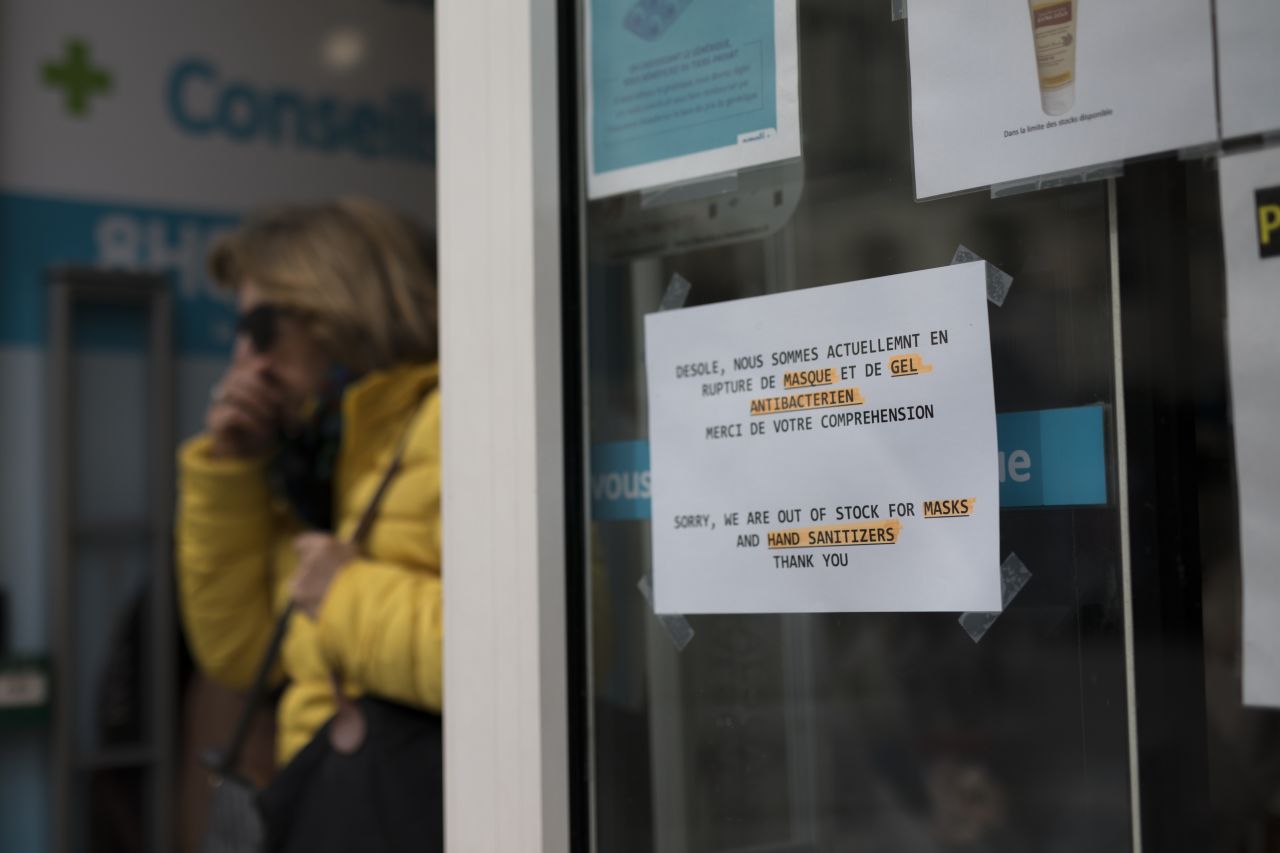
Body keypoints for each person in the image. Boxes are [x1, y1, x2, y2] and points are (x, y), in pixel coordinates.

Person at [175, 198, 442, 840]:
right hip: (332, 804)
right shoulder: (318, 455)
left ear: (333, 308)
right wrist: (233, 472)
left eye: (261, 330)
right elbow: (240, 656)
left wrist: (346, 594)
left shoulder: (456, 422)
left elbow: (546, 654)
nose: (247, 361)